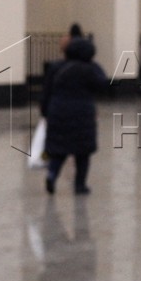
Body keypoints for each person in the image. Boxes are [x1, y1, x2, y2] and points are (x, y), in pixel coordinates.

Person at [41, 35, 109, 195]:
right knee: (82, 153)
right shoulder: (90, 69)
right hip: (82, 114)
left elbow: (46, 92)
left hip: (58, 111)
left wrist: (45, 112)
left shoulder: (56, 67)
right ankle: (80, 185)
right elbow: (103, 85)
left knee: (59, 150)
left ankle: (51, 174)